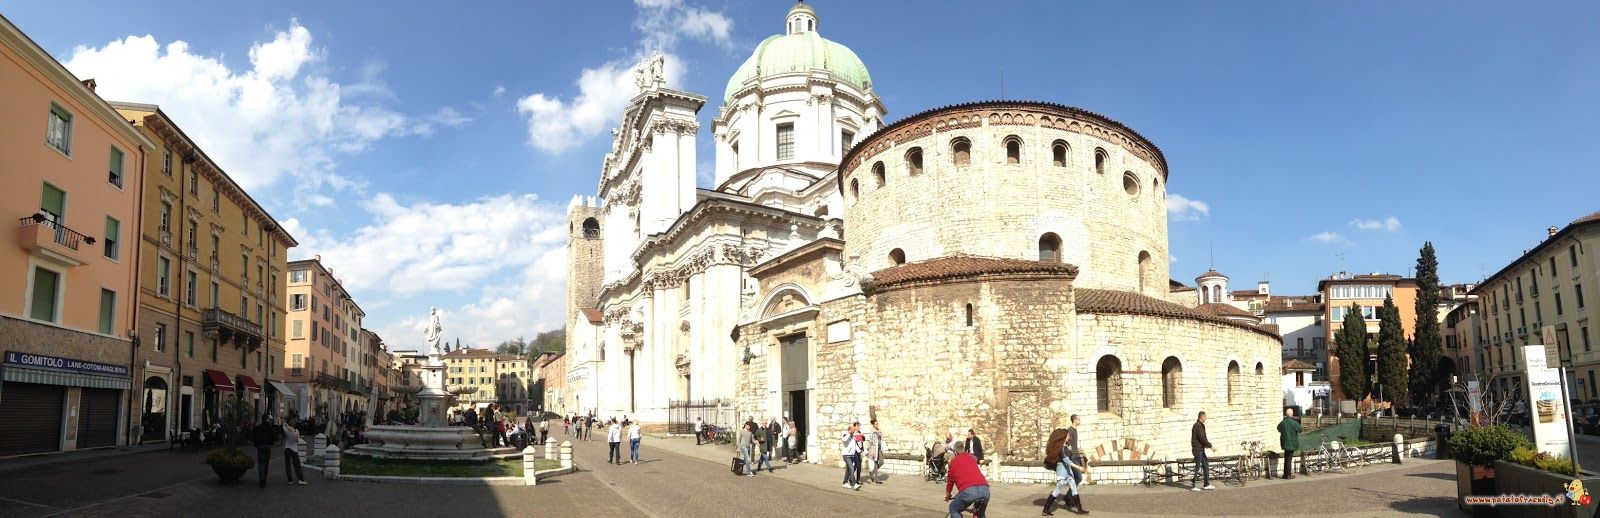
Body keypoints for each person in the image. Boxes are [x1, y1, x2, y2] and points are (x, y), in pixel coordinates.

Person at [944, 441, 990, 518]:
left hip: (969, 491)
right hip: (985, 490)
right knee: (980, 514)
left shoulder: (953, 463)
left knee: (953, 508)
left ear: (955, 452)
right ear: (964, 449)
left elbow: (950, 485)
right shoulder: (972, 458)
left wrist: (947, 496)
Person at [251, 414, 281, 488]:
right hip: (267, 447)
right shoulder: (270, 427)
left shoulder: (257, 428)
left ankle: (262, 479)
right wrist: (271, 444)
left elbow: (254, 438)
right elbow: (273, 437)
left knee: (261, 463)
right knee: (266, 463)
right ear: (267, 419)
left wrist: (256, 445)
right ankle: (264, 479)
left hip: (260, 447)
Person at [1192, 411, 1216, 491]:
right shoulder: (1198, 426)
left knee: (1205, 465)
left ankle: (1206, 484)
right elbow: (1202, 438)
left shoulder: (1200, 425)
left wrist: (1206, 445)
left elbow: (1203, 439)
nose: (1206, 418)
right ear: (1201, 417)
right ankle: (1193, 485)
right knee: (1198, 467)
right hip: (1198, 450)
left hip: (1201, 449)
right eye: (1205, 417)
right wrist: (1210, 446)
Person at [282, 417, 308, 485]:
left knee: (287, 465)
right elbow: (297, 441)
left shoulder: (286, 430)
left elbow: (284, 424)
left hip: (287, 448)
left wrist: (286, 424)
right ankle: (301, 479)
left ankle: (290, 480)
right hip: (294, 449)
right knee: (297, 465)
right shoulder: (296, 431)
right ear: (294, 424)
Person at [1277, 408, 1301, 479]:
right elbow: (1300, 430)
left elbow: (1278, 428)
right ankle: (1288, 475)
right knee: (1289, 459)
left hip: (1285, 443)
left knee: (1286, 458)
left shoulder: (1283, 422)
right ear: (1292, 414)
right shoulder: (1294, 422)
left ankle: (1285, 474)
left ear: (1286, 414)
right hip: (1292, 443)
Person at [841, 422, 864, 490]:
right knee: (851, 468)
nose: (854, 429)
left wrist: (861, 452)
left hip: (852, 455)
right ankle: (854, 484)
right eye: (853, 428)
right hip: (846, 455)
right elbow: (844, 440)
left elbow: (856, 446)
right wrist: (849, 433)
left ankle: (845, 482)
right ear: (850, 429)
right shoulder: (845, 433)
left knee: (848, 469)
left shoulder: (852, 437)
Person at [864, 418, 884, 484]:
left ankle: (872, 473)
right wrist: (868, 449)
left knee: (881, 462)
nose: (877, 425)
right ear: (873, 425)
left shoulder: (879, 431)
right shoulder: (872, 431)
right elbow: (870, 441)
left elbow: (881, 439)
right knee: (875, 462)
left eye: (877, 424)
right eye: (876, 424)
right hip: (874, 449)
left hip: (879, 448)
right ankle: (876, 479)